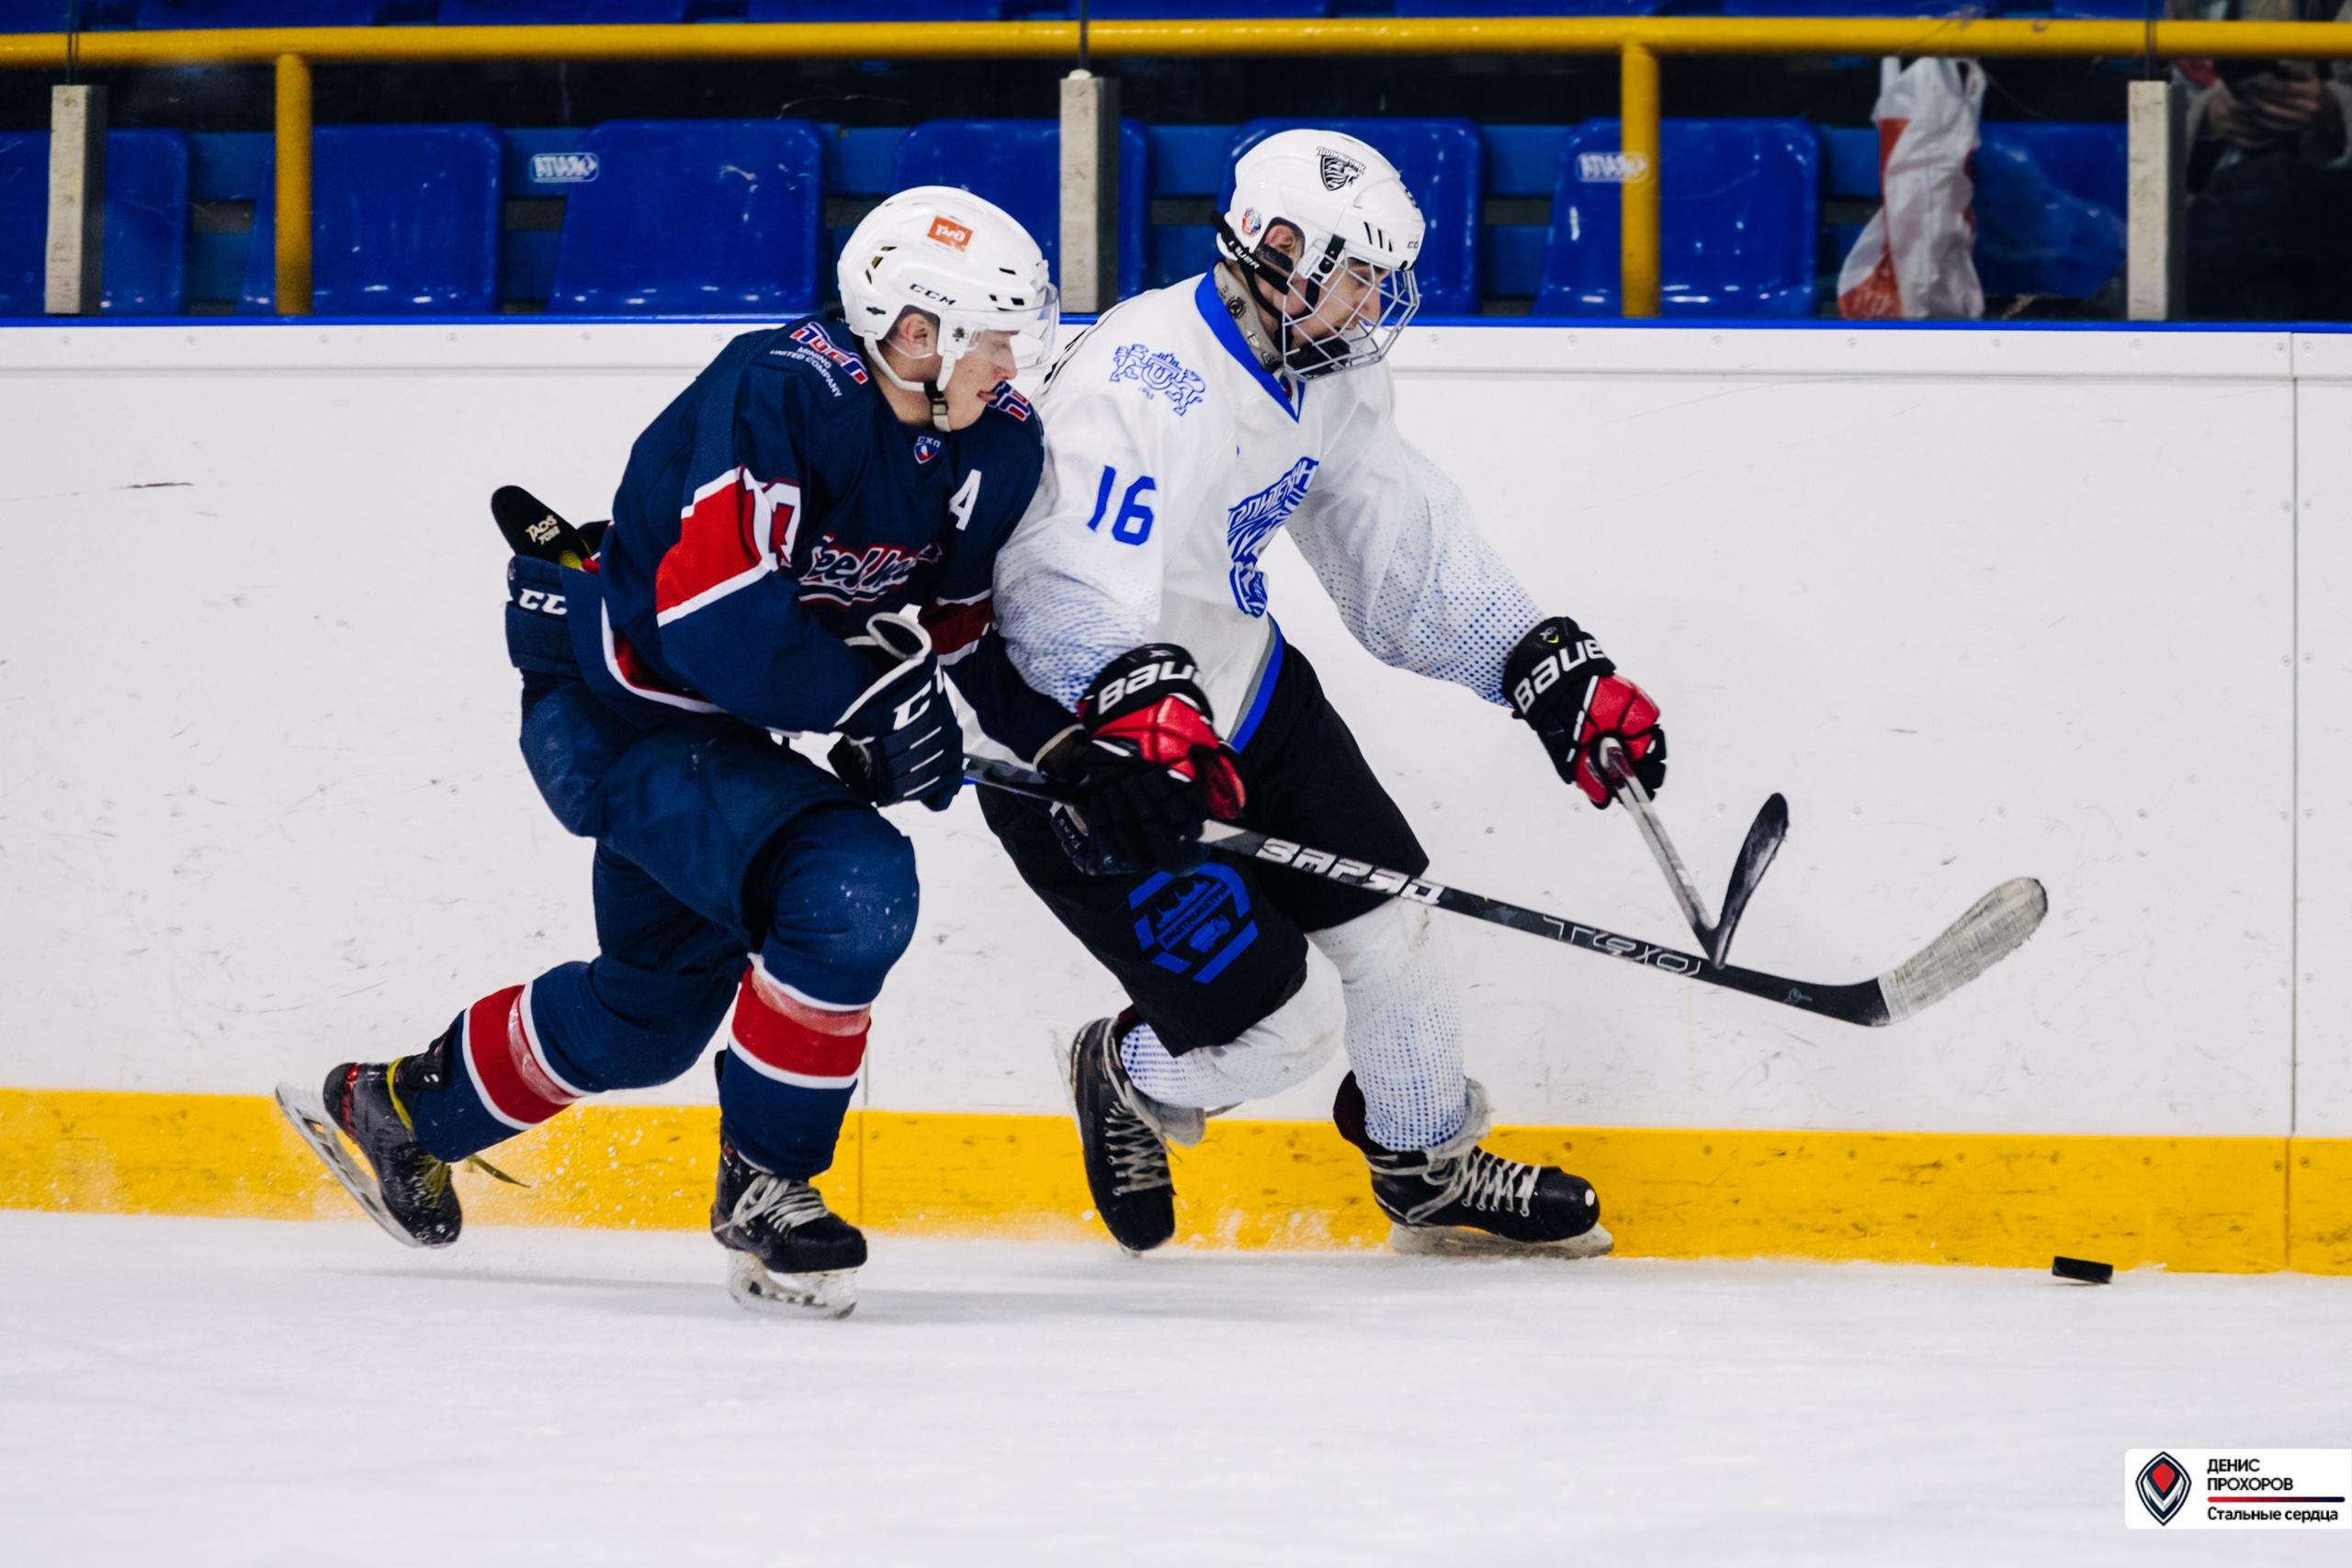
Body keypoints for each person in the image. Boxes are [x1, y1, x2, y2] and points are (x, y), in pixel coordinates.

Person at [277, 187, 1072, 1318]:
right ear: (914, 332)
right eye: (992, 338)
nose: (1012, 362)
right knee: (849, 885)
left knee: (648, 1019)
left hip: (735, 727)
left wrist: (1070, 749)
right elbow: (716, 614)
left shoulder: (993, 441)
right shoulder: (779, 390)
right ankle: (768, 1182)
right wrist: (871, 704)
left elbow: (956, 629)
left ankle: (398, 1113)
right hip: (624, 710)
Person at [980, 130, 1667, 1258]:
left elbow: (1397, 547)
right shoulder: (1140, 380)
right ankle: (1126, 1071)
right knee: (1284, 1028)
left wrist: (1540, 665)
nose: (1375, 302)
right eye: (1358, 275)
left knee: (1397, 929)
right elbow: (1051, 588)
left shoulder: (1328, 370)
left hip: (1246, 696)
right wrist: (1131, 703)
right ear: (1279, 250)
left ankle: (1426, 1169)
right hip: (1093, 754)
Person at [2174, 0, 2352, 320]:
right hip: (2240, 195)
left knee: (2262, 194)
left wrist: (2336, 113)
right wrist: (2214, 115)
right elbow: (2165, 90)